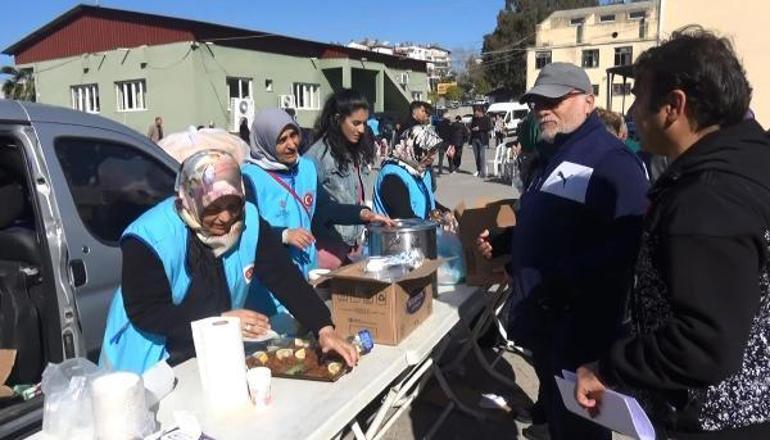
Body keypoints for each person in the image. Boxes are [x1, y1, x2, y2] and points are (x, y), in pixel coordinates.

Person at [575, 29, 770, 439]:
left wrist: (609, 368)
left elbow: (703, 345)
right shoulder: (748, 158)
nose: (631, 112)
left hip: (719, 421)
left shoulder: (710, 197)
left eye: (639, 97)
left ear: (673, 106)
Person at [477, 62, 649, 440]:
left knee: (581, 431)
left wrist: (561, 284)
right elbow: (554, 222)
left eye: (555, 100)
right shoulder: (553, 153)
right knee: (559, 420)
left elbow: (628, 245)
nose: (543, 109)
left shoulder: (612, 162)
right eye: (538, 102)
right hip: (545, 324)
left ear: (588, 101)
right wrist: (510, 241)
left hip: (578, 330)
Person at [100, 149, 359, 375]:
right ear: (190, 201)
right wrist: (219, 320)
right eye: (212, 208)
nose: (225, 218)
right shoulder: (149, 238)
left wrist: (323, 327)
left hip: (204, 350)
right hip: (148, 360)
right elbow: (147, 313)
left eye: (233, 205)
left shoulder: (249, 224)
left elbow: (285, 277)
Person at [241, 108, 391, 316]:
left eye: (294, 135)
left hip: (306, 273)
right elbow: (246, 228)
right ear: (265, 142)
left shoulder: (306, 168)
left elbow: (323, 209)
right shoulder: (248, 178)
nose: (292, 144)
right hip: (270, 284)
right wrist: (284, 235)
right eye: (282, 140)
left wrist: (362, 214)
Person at [305, 89, 375, 270]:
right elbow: (310, 207)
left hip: (353, 246)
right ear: (337, 119)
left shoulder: (356, 151)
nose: (361, 129)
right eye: (356, 123)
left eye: (364, 123)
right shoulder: (317, 157)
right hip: (327, 252)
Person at [373, 124, 448, 219]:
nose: (432, 157)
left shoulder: (421, 170)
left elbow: (426, 200)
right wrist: (431, 223)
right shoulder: (392, 175)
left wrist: (444, 212)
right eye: (428, 151)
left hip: (422, 231)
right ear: (414, 148)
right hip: (397, 233)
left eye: (434, 152)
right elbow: (404, 217)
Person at [469, 106, 492, 177]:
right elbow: (471, 126)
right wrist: (472, 128)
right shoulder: (474, 118)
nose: (475, 115)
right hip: (474, 139)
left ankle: (483, 172)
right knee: (476, 156)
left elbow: (489, 127)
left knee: (482, 156)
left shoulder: (486, 118)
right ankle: (478, 170)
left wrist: (479, 128)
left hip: (482, 139)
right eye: (474, 113)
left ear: (480, 112)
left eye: (476, 113)